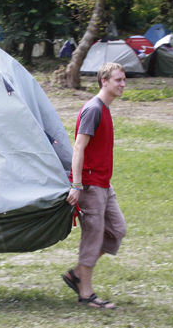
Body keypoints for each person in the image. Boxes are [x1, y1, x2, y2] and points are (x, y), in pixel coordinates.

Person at [62, 62, 127, 309]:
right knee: (93, 237)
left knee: (117, 230)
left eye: (123, 79)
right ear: (104, 81)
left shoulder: (105, 108)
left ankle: (78, 273)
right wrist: (76, 185)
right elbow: (78, 147)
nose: (122, 84)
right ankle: (85, 294)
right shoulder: (93, 109)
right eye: (118, 80)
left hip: (103, 184)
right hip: (89, 186)